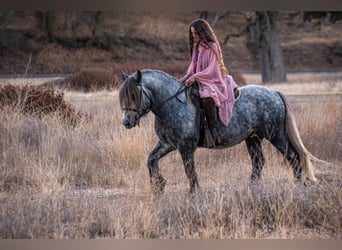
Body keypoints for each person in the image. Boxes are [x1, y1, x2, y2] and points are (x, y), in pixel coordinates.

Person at [179, 19, 238, 147]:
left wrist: (195, 77)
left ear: (203, 32)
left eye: (196, 34)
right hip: (200, 79)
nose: (194, 37)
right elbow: (192, 66)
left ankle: (214, 132)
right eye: (192, 34)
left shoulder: (213, 46)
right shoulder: (196, 46)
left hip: (213, 80)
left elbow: (212, 70)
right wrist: (185, 77)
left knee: (207, 97)